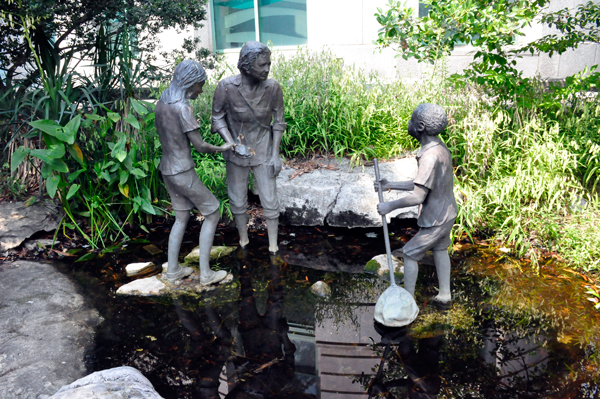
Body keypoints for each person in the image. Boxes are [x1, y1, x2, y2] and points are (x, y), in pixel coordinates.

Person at [156, 60, 233, 283]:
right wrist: (223, 147)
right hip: (182, 171)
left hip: (167, 169)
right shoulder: (183, 108)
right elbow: (200, 146)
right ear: (190, 83)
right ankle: (206, 274)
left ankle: (173, 271)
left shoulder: (161, 102)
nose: (201, 90)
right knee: (213, 212)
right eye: (200, 85)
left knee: (181, 217)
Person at [376, 104, 457, 303]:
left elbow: (418, 196)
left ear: (420, 127)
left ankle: (407, 300)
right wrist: (390, 185)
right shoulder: (439, 148)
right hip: (446, 212)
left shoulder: (430, 157)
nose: (408, 123)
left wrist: (390, 206)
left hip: (436, 218)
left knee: (409, 254)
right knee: (439, 249)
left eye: (411, 120)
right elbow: (422, 183)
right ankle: (445, 294)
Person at [211, 41, 286, 254]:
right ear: (246, 65)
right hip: (237, 151)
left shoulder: (273, 88)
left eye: (269, 64)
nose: (267, 69)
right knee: (237, 198)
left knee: (270, 199)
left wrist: (275, 155)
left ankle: (273, 245)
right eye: (262, 65)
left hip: (263, 148)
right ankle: (243, 240)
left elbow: (278, 123)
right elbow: (217, 118)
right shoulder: (226, 87)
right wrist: (232, 143)